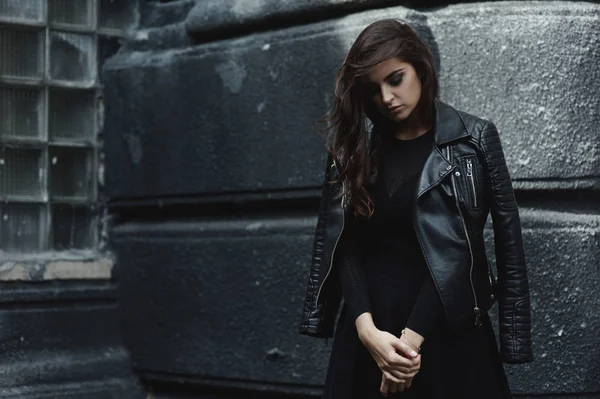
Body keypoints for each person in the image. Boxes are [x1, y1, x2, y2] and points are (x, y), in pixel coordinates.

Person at [299, 19, 533, 398]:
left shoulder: (472, 140)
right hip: (369, 334)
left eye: (395, 78)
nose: (387, 97)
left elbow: (467, 248)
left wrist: (407, 347)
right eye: (373, 90)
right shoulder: (353, 150)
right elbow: (346, 247)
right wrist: (366, 331)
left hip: (447, 330)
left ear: (420, 69)